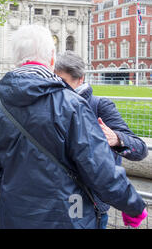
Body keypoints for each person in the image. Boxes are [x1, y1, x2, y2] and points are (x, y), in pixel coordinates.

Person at [0, 24, 148, 229]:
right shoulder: (71, 104)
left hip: (16, 215)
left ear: (16, 59)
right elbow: (100, 168)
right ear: (52, 58)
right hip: (69, 216)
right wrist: (133, 205)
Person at [54, 50, 149, 228]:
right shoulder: (52, 106)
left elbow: (140, 149)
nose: (59, 89)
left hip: (91, 203)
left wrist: (117, 138)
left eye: (64, 83)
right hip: (59, 200)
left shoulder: (99, 106)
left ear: (80, 79)